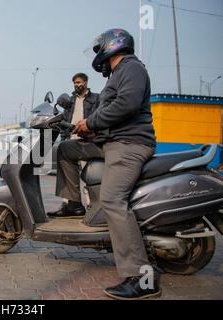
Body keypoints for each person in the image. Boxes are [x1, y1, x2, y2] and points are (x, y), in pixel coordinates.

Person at [58, 29, 160, 299]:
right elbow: (112, 113)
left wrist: (91, 123)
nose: (97, 55)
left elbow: (127, 104)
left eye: (99, 48)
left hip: (129, 144)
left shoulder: (132, 67)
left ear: (112, 46)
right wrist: (90, 131)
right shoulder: (118, 73)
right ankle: (73, 204)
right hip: (111, 140)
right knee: (65, 150)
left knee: (113, 199)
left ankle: (141, 278)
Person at [48, 72, 100, 218]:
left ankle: (92, 204)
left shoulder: (96, 99)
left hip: (88, 138)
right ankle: (70, 204)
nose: (77, 85)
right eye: (75, 83)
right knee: (68, 172)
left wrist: (91, 130)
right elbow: (63, 118)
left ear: (86, 82)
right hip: (71, 137)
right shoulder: (70, 101)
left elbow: (98, 117)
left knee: (88, 173)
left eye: (79, 82)